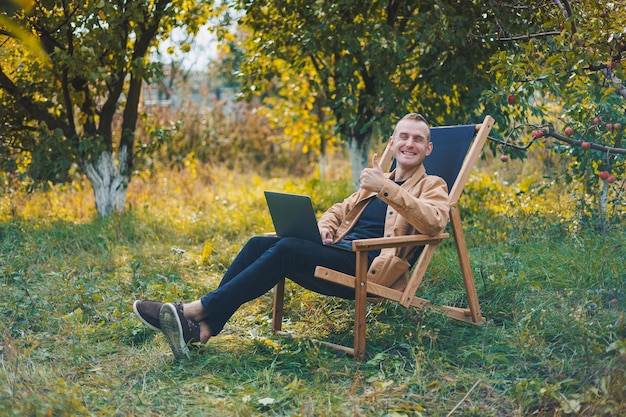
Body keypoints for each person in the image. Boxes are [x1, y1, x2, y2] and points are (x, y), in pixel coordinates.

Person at [133, 113, 450, 360]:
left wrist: (386, 187)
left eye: (418, 140)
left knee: (286, 249)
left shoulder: (432, 185)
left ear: (428, 149)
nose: (410, 144)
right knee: (260, 243)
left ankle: (192, 311)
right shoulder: (377, 180)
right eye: (404, 137)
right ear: (392, 143)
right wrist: (325, 225)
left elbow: (435, 223)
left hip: (366, 268)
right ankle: (203, 330)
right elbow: (340, 209)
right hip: (337, 250)